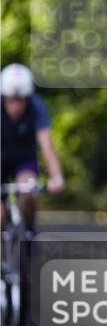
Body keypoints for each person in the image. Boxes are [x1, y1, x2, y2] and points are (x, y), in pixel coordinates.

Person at [1, 63, 64, 237]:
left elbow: (47, 145)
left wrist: (57, 176)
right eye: (10, 101)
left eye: (20, 101)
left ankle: (29, 233)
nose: (15, 107)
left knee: (28, 193)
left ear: (27, 98)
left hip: (24, 161)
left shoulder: (36, 107)